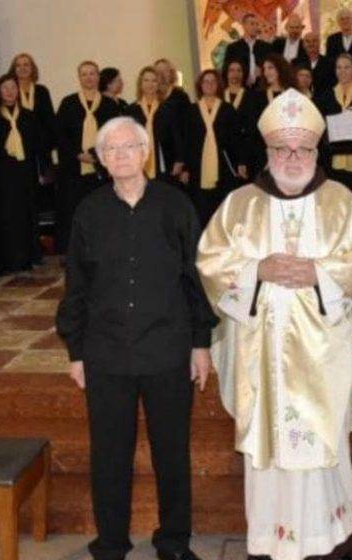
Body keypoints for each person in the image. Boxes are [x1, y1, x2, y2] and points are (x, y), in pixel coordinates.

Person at [195, 87, 352, 560]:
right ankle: (270, 542)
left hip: (322, 355)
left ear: (318, 151)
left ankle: (331, 538)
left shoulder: (341, 201)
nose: (293, 158)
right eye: (283, 148)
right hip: (262, 355)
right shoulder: (240, 203)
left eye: (303, 148)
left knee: (322, 443)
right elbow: (210, 261)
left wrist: (319, 274)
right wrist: (255, 271)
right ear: (268, 151)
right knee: (271, 447)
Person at [56, 116, 216, 560]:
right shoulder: (89, 211)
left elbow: (196, 278)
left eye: (129, 147)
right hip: (106, 352)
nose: (121, 155)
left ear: (145, 152)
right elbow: (77, 284)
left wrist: (201, 343)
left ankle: (174, 542)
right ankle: (110, 543)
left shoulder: (175, 205)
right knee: (109, 456)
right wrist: (75, 351)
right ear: (101, 159)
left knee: (172, 454)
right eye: (111, 149)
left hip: (167, 349)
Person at [0, 74, 46, 272]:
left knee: (25, 217)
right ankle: (4, 260)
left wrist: (42, 170)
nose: (9, 92)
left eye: (13, 87)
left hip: (25, 176)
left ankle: (27, 257)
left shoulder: (29, 116)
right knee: (3, 217)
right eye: (5, 88)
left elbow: (39, 146)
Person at [54, 60, 122, 253]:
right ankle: (74, 253)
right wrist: (77, 154)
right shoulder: (68, 103)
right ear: (79, 78)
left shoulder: (109, 105)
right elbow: (60, 134)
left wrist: (96, 155)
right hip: (73, 169)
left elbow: (114, 134)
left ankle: (104, 250)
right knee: (73, 211)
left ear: (98, 77)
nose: (89, 77)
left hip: (101, 169)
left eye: (92, 73)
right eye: (84, 74)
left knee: (102, 210)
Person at [315, 54, 352, 206]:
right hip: (330, 160)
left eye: (347, 67)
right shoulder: (325, 98)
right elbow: (318, 128)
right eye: (339, 67)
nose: (342, 71)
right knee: (331, 203)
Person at [184, 69, 240, 223]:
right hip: (197, 166)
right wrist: (186, 167)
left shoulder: (227, 109)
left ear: (218, 85)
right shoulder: (191, 110)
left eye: (213, 81)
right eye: (205, 81)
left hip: (223, 165)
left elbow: (235, 139)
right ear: (200, 85)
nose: (209, 84)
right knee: (201, 210)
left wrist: (240, 162)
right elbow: (187, 141)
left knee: (222, 209)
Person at [126, 66, 185, 186]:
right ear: (140, 84)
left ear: (159, 84)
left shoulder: (168, 108)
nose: (150, 84)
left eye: (154, 80)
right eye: (146, 80)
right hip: (139, 162)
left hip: (165, 160)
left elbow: (177, 135)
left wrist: (179, 159)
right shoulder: (131, 110)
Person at [225, 13, 272, 87]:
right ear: (244, 25)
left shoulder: (266, 47)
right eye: (252, 24)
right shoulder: (233, 48)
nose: (255, 27)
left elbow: (273, 69)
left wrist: (262, 72)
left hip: (261, 88)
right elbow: (226, 71)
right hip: (240, 88)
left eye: (257, 24)